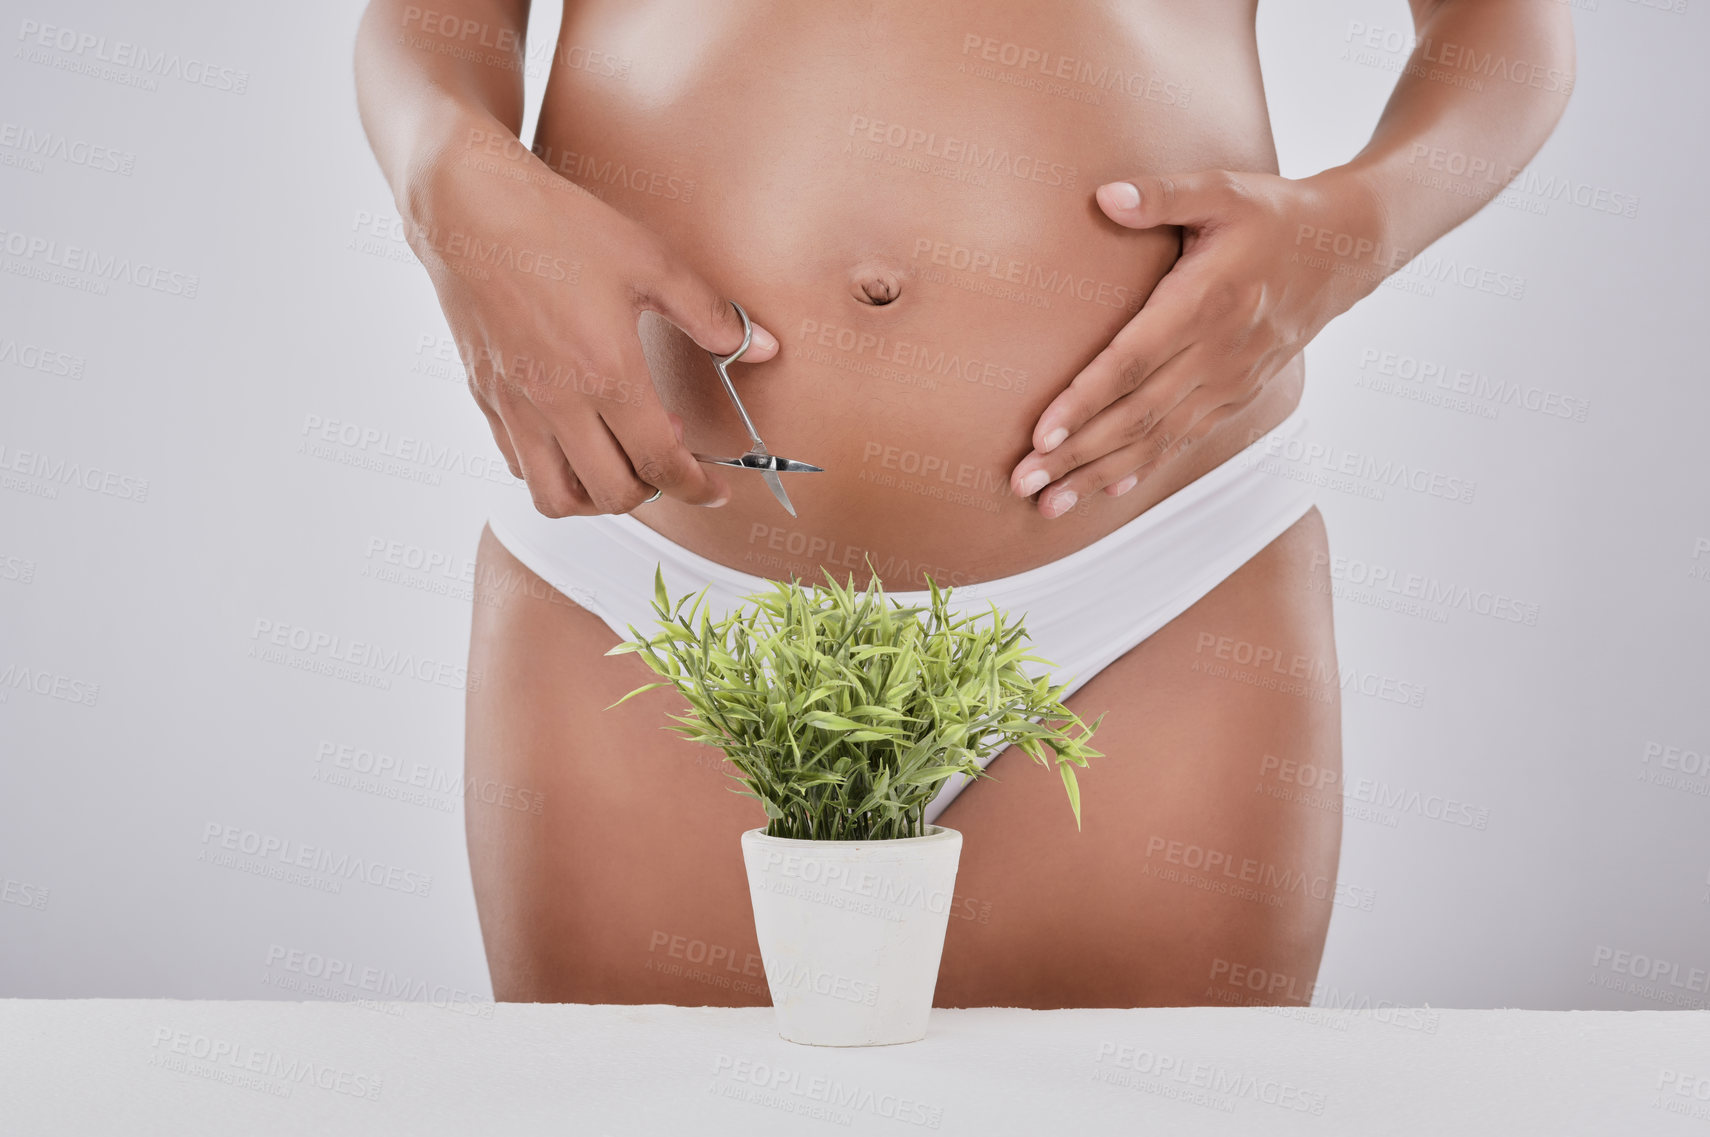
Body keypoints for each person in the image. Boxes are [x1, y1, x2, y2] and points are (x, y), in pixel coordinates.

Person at [354, 0, 1572, 1008]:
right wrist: (443, 178)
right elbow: (432, 24)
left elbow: (1504, 28)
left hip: (1155, 577)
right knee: (639, 1111)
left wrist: (1357, 225)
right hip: (646, 579)